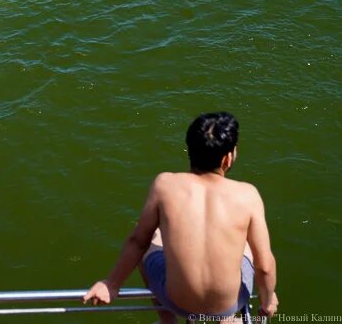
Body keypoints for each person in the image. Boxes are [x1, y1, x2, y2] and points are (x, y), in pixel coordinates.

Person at [83, 112, 278, 322]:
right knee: (247, 244)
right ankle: (227, 320)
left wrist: (111, 284)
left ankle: (167, 319)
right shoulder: (247, 195)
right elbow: (264, 266)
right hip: (227, 305)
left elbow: (137, 241)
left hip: (176, 303)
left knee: (149, 239)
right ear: (228, 157)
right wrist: (268, 301)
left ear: (190, 149)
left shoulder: (164, 185)